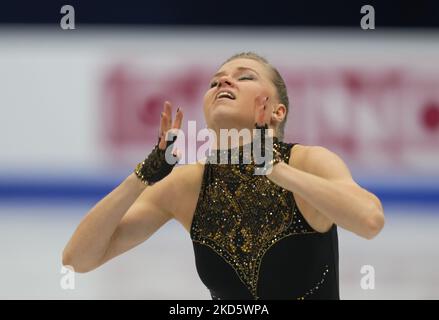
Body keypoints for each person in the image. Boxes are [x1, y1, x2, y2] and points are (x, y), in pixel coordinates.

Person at [62, 52, 385, 300]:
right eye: (215, 81)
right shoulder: (188, 185)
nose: (223, 83)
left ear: (277, 111)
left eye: (244, 77)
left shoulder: (308, 162)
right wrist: (143, 176)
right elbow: (79, 260)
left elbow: (370, 221)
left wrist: (280, 172)